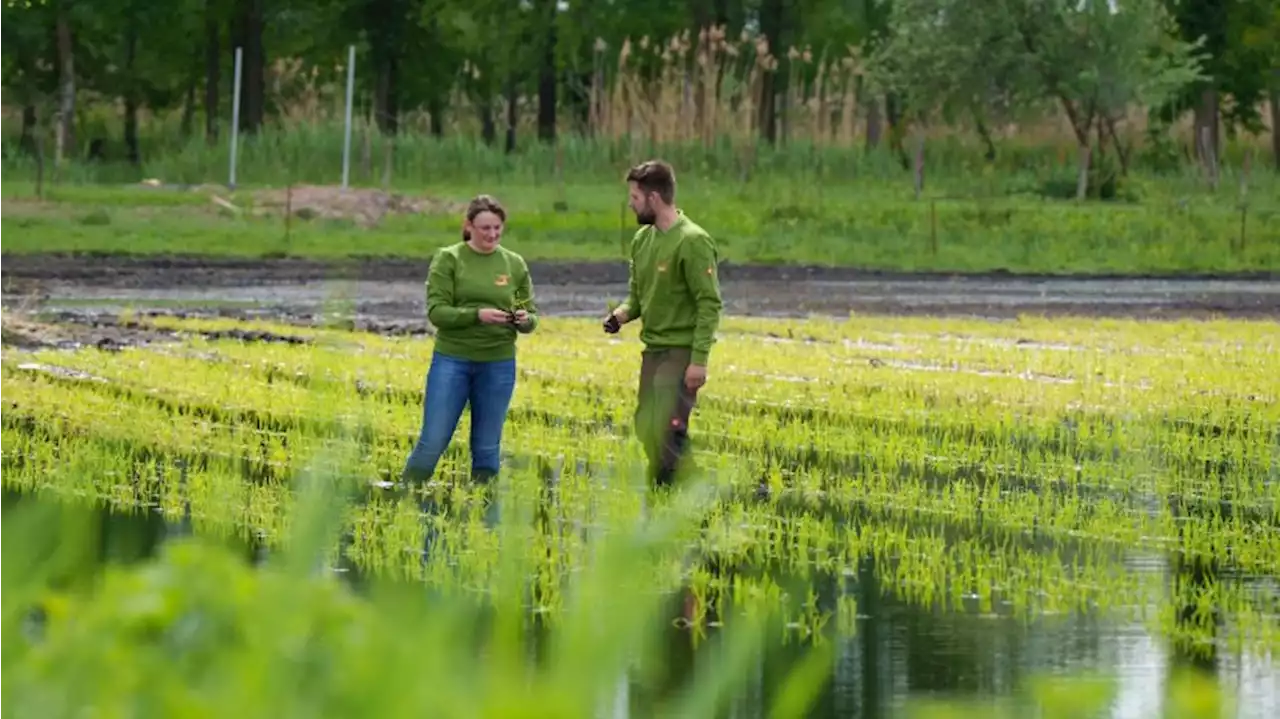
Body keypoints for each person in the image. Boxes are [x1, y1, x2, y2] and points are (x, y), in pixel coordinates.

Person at [401, 194, 539, 486]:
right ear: (469, 226)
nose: (492, 234)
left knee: (487, 448)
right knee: (433, 440)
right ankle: (405, 497)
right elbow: (437, 312)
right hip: (453, 360)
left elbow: (532, 315)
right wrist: (477, 315)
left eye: (497, 228)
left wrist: (524, 320)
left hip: (498, 364)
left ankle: (484, 516)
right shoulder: (449, 259)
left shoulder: (514, 264)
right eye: (485, 228)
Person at [603, 159, 723, 487]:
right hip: (653, 349)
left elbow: (709, 304)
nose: (630, 203)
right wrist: (620, 316)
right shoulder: (643, 240)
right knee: (646, 425)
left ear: (654, 198)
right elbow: (637, 298)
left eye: (635, 197)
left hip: (681, 351)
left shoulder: (693, 241)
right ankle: (687, 490)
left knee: (667, 426)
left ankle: (675, 494)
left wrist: (699, 361)